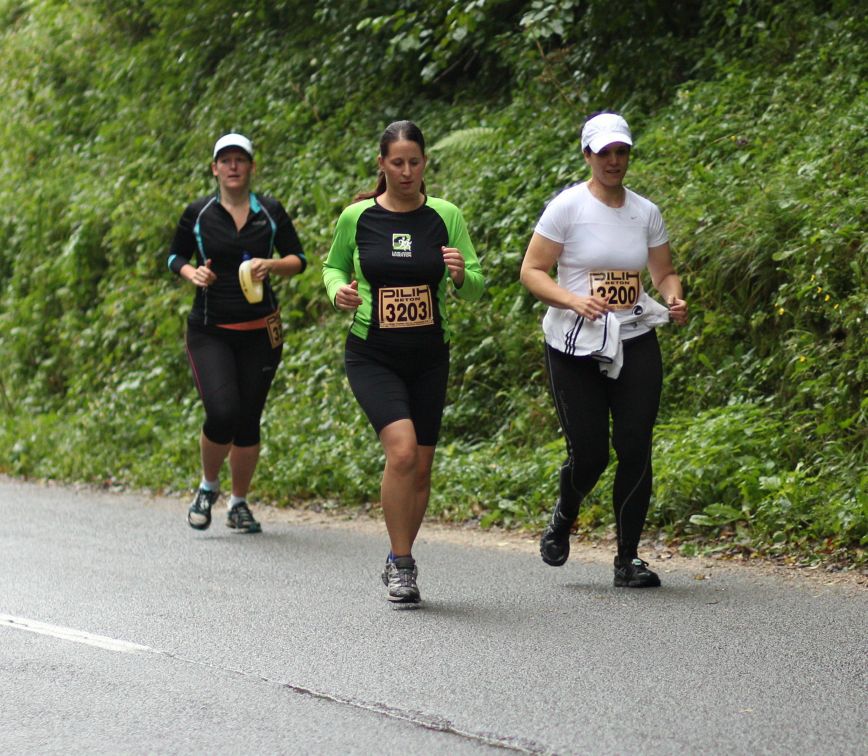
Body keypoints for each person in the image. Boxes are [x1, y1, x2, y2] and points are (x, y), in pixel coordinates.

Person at [519, 112, 688, 587]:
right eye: (605, 152)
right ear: (587, 155)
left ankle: (628, 559)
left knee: (635, 446)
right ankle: (565, 512)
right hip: (574, 344)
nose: (615, 161)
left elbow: (663, 272)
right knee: (590, 455)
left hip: (634, 337)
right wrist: (573, 299)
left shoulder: (645, 212)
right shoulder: (567, 208)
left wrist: (673, 296)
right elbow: (532, 272)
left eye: (622, 152)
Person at [322, 120, 484, 606]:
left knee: (422, 470)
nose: (407, 171)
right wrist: (339, 292)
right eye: (398, 162)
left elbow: (475, 281)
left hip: (430, 354)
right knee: (403, 452)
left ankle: (399, 558)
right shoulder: (357, 217)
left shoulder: (445, 215)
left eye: (415, 162)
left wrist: (460, 275)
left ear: (425, 163)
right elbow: (333, 266)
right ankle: (403, 563)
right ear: (382, 164)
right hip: (372, 352)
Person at [167, 133, 306, 534]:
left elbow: (299, 259)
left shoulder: (270, 211)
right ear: (214, 169)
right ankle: (208, 486)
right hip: (210, 331)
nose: (232, 166)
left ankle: (239, 503)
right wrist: (192, 272)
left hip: (261, 332)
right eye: (224, 160)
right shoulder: (199, 213)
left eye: (239, 160)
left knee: (248, 420)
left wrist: (271, 265)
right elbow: (174, 255)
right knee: (223, 412)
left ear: (250, 167)